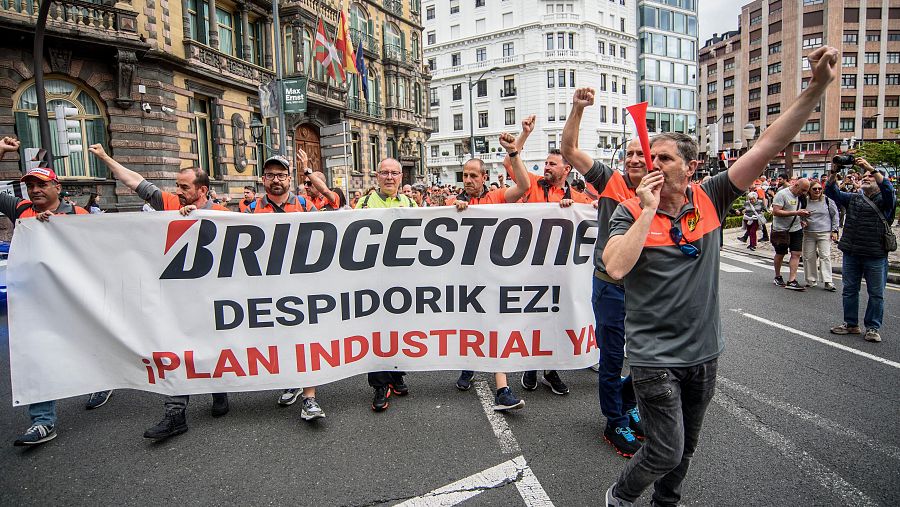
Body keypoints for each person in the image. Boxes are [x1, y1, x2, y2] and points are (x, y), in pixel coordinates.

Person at [601, 46, 837, 507]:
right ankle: (621, 495)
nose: (655, 166)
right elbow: (615, 266)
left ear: (689, 167)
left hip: (705, 352)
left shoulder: (713, 196)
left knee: (686, 448)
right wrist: (646, 214)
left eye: (665, 159)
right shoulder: (630, 211)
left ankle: (665, 501)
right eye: (653, 159)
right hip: (654, 357)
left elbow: (768, 143)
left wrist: (818, 88)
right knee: (665, 448)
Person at [89, 144, 233, 440]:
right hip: (176, 302)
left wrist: (200, 220)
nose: (178, 191)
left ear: (202, 191)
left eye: (184, 186)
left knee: (213, 349)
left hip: (212, 299)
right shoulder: (167, 203)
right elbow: (134, 181)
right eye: (176, 185)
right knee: (176, 353)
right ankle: (175, 413)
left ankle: (219, 389)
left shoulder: (222, 213)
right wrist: (105, 158)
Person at [561, 88, 648, 458]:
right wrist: (577, 109)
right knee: (613, 357)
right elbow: (569, 151)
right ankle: (615, 420)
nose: (631, 160)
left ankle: (628, 399)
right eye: (628, 154)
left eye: (639, 155)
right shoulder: (611, 181)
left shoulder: (668, 191)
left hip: (650, 291)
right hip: (612, 286)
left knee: (650, 358)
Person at [0, 137, 91, 446]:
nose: (35, 190)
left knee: (89, 344)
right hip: (33, 300)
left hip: (72, 298)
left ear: (57, 188)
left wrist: (59, 229)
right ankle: (43, 421)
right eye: (30, 185)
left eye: (41, 185)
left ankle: (102, 379)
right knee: (36, 354)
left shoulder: (79, 215)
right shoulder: (21, 209)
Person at [509, 116, 592, 397]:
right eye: (545, 163)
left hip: (561, 271)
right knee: (532, 319)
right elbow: (512, 163)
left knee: (558, 318)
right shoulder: (532, 185)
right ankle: (531, 367)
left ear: (566, 169)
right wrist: (524, 134)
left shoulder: (577, 198)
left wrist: (570, 209)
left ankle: (551, 369)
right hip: (530, 268)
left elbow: (594, 217)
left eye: (552, 164)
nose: (546, 167)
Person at [450, 131, 533, 412]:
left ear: (484, 177)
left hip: (492, 276)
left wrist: (513, 153)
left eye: (474, 175)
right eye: (465, 175)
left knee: (494, 327)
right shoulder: (452, 204)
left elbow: (523, 185)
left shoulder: (497, 196)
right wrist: (454, 211)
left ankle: (502, 389)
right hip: (463, 278)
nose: (469, 180)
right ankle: (468, 365)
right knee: (469, 325)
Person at [355, 158, 416, 411]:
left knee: (401, 329)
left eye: (394, 173)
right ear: (376, 176)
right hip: (375, 279)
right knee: (378, 331)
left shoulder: (411, 203)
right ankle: (380, 384)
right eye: (384, 173)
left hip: (403, 278)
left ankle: (397, 375)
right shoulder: (364, 203)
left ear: (401, 177)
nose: (389, 177)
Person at [826, 159, 895, 343]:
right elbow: (831, 192)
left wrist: (870, 168)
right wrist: (834, 171)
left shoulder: (886, 201)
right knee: (849, 290)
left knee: (876, 293)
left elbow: (889, 189)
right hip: (851, 252)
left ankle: (872, 327)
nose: (866, 177)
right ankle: (851, 324)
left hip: (876, 254)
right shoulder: (854, 197)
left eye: (870, 176)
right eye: (864, 175)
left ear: (879, 180)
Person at [771, 177, 811, 290]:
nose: (804, 193)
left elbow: (801, 210)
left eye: (806, 191)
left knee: (796, 253)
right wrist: (796, 212)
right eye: (803, 190)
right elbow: (776, 211)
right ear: (796, 185)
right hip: (781, 229)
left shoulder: (802, 197)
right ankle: (777, 276)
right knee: (780, 253)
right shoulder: (782, 194)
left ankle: (792, 280)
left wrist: (803, 218)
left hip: (796, 228)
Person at [801, 182, 839, 290]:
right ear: (809, 190)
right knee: (808, 257)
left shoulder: (827, 201)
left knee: (825, 256)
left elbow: (835, 215)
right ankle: (811, 279)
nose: (817, 191)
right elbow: (800, 214)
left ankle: (828, 281)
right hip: (809, 233)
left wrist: (834, 230)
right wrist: (802, 220)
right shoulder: (805, 201)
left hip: (824, 232)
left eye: (819, 188)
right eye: (814, 189)